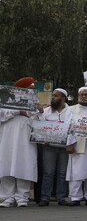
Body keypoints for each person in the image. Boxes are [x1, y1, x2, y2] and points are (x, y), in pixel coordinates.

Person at [0, 77, 39, 208]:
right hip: (8, 139)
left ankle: (22, 197)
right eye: (29, 89)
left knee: (24, 166)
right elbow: (1, 115)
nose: (31, 91)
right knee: (6, 166)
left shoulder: (34, 101)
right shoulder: (5, 99)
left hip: (26, 139)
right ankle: (7, 197)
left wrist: (40, 111)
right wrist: (18, 111)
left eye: (32, 89)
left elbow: (38, 121)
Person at [38, 88, 73, 207]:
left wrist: (70, 143)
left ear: (63, 98)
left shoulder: (71, 111)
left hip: (64, 147)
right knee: (48, 172)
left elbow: (72, 129)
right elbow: (40, 127)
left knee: (62, 172)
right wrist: (44, 138)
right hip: (49, 147)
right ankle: (45, 198)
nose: (53, 98)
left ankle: (61, 197)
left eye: (56, 96)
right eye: (52, 96)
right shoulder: (47, 111)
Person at [65, 87, 87, 206]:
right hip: (76, 143)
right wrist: (69, 143)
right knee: (76, 171)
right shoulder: (71, 109)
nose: (84, 97)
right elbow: (68, 127)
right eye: (82, 94)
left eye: (86, 95)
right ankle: (75, 197)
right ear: (78, 96)